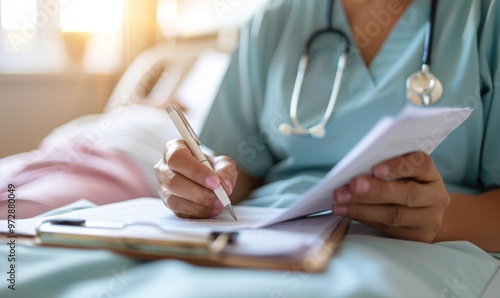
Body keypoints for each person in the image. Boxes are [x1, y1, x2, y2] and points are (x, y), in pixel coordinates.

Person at [155, 0, 500, 252]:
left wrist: (444, 220)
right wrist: (202, 183)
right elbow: (236, 167)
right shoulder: (274, 20)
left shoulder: (485, 16)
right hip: (264, 237)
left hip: (415, 252)